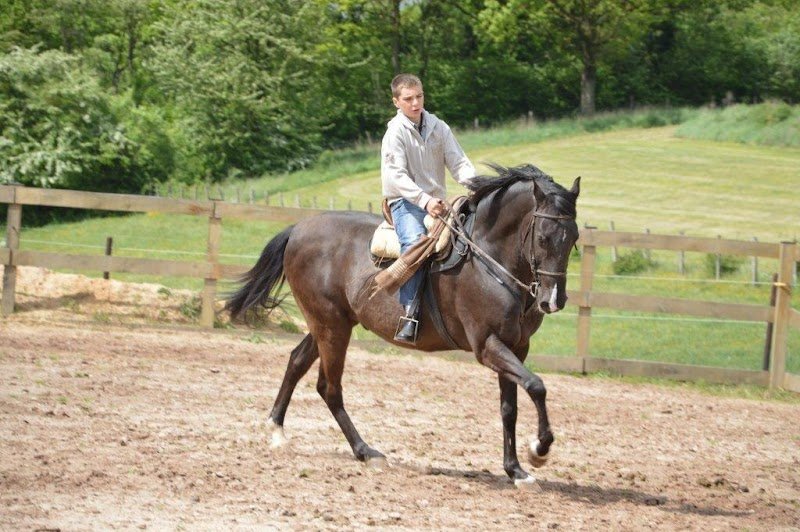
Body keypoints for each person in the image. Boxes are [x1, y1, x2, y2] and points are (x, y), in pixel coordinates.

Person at [381, 73, 476, 344]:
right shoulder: (394, 133)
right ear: (396, 102)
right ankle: (409, 314)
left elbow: (458, 163)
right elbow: (396, 176)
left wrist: (478, 185)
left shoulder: (438, 127)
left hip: (438, 203)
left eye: (419, 97)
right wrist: (425, 201)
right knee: (415, 242)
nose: (415, 103)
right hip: (405, 202)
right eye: (408, 99)